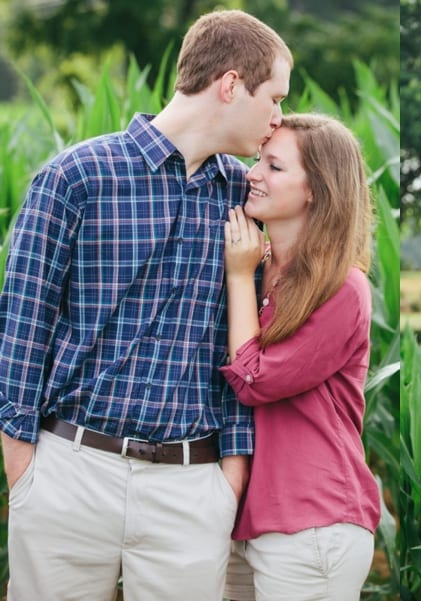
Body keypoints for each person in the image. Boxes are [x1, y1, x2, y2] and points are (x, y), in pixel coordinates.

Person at [0, 10, 291, 601]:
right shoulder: (77, 177)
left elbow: (242, 344)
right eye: (275, 97)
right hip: (69, 472)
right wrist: (24, 470)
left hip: (191, 488)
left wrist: (228, 476)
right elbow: (20, 329)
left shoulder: (244, 197)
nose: (279, 117)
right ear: (231, 85)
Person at [219, 113, 380, 600]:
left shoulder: (343, 288)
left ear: (316, 190)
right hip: (245, 520)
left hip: (313, 524)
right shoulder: (261, 267)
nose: (254, 174)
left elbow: (255, 381)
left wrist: (238, 277)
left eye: (275, 166)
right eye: (257, 160)